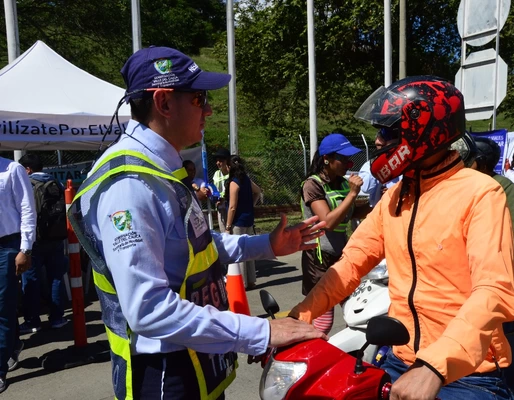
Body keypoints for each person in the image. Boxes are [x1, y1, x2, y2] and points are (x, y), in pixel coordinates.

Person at [66, 46, 327, 400]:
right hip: (163, 373)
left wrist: (267, 245)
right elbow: (148, 309)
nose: (209, 109)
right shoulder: (130, 186)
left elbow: (198, 245)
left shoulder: (161, 168)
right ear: (164, 103)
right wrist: (262, 332)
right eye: (199, 98)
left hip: (191, 357)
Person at [290, 76, 514, 400]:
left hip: (466, 372)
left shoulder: (480, 193)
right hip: (401, 360)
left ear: (424, 132)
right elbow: (351, 263)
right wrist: (298, 317)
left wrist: (434, 367)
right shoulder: (395, 197)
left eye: (388, 131)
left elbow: (494, 289)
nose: (379, 140)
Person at [300, 133, 371, 334]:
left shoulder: (341, 182)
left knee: (355, 310)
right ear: (326, 159)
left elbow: (350, 213)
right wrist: (352, 194)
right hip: (319, 259)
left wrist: (377, 202)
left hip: (341, 256)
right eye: (342, 159)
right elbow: (328, 222)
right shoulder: (312, 185)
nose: (348, 164)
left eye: (350, 159)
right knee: (323, 319)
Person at [470, 136, 514, 289]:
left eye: (468, 157)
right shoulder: (462, 182)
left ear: (481, 162)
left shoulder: (502, 185)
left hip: (494, 265)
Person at [18, 153, 69, 334]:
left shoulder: (27, 185)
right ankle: (57, 318)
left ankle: (32, 320)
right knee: (56, 277)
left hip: (35, 240)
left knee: (31, 280)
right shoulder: (56, 183)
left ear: (28, 169)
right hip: (56, 237)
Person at [0, 156, 36, 393]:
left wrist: (25, 248)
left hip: (7, 245)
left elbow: (27, 208)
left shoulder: (12, 169)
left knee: (2, 306)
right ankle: (12, 345)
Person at [224, 155, 263, 289]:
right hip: (249, 219)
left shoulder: (234, 182)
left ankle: (242, 282)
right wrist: (251, 205)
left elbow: (232, 206)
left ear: (229, 167)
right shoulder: (246, 179)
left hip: (238, 221)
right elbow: (258, 192)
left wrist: (228, 226)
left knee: (239, 251)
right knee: (249, 249)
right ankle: (251, 280)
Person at [359, 127, 402, 207]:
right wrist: (377, 165)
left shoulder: (403, 163)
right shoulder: (369, 165)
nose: (379, 145)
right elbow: (366, 188)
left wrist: (394, 192)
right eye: (378, 145)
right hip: (377, 212)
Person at [212, 148, 231, 232]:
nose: (218, 163)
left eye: (220, 161)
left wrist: (224, 198)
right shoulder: (216, 173)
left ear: (227, 161)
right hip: (219, 206)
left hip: (230, 206)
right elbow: (214, 189)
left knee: (232, 231)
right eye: (217, 161)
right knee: (223, 232)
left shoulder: (233, 173)